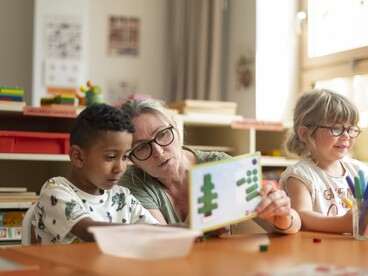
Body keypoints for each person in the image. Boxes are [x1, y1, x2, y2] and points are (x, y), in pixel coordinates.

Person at [119, 98, 301, 234]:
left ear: (176, 128)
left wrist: (283, 217)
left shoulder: (220, 165)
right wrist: (196, 226)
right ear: (132, 159)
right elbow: (160, 242)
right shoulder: (132, 182)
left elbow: (289, 226)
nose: (158, 151)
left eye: (163, 134)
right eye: (142, 147)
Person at [34, 103, 158, 244]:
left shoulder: (123, 197)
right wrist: (142, 232)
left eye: (125, 157)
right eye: (110, 157)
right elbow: (89, 231)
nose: (120, 168)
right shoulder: (54, 191)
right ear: (78, 157)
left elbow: (156, 230)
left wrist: (184, 228)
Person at [279, 89, 368, 233]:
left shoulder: (360, 170)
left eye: (351, 129)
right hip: (316, 251)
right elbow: (301, 215)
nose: (346, 136)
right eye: (336, 128)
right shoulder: (300, 175)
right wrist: (343, 224)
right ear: (305, 134)